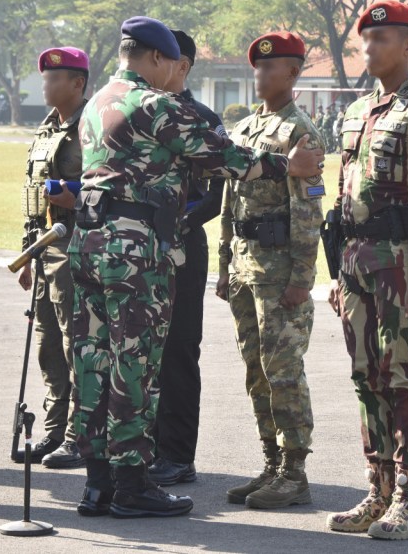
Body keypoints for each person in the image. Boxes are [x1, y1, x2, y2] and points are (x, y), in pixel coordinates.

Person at [68, 16, 323, 519]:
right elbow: (222, 157)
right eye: (173, 64)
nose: (175, 75)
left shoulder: (97, 102)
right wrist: (286, 165)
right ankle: (132, 484)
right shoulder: (155, 104)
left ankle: (97, 484)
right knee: (134, 364)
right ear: (157, 58)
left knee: (92, 362)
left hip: (90, 244)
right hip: (134, 250)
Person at [325, 0, 408, 541]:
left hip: (401, 263)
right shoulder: (357, 111)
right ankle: (377, 491)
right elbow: (342, 195)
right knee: (365, 376)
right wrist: (337, 272)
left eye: (382, 39)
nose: (370, 47)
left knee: (402, 375)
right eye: (366, 39)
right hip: (356, 262)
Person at [215, 31, 324, 510]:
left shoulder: (301, 132)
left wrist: (302, 278)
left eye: (270, 66)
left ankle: (294, 472)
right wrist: (224, 265)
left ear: (293, 73)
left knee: (284, 371)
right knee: (256, 371)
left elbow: (309, 211)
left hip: (280, 272)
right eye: (257, 66)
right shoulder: (244, 130)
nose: (260, 74)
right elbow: (229, 203)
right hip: (245, 267)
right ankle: (271, 463)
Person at [148, 30, 225, 487]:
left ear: (183, 66)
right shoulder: (144, 112)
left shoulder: (203, 119)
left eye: (162, 58)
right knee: (142, 351)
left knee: (177, 351)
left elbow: (214, 197)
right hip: (140, 250)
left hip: (181, 248)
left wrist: (174, 223)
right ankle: (143, 448)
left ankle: (176, 455)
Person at [17, 47, 89, 469]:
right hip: (44, 249)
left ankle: (79, 435)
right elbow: (32, 195)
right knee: (48, 344)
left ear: (77, 83)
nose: (45, 83)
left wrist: (75, 199)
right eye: (45, 76)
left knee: (75, 341)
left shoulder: (92, 128)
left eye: (55, 77)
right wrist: (27, 252)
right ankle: (55, 427)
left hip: (76, 245)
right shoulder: (47, 128)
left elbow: (108, 187)